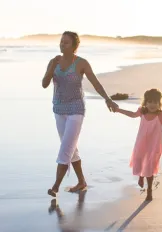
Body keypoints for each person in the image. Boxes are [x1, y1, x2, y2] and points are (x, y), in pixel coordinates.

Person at [42, 31, 119, 197]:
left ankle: (55, 186)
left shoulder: (81, 63)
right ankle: (82, 182)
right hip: (59, 110)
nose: (62, 45)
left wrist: (108, 99)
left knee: (65, 149)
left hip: (76, 109)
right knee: (71, 148)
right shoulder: (54, 62)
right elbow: (44, 84)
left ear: (75, 46)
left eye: (66, 43)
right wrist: (50, 68)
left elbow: (95, 83)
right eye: (61, 42)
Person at [115, 89, 162, 201]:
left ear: (159, 103)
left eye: (155, 102)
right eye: (150, 102)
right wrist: (118, 110)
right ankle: (141, 176)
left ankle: (149, 190)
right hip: (141, 143)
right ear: (145, 102)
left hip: (154, 146)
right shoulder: (142, 112)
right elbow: (132, 114)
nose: (152, 105)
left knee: (149, 166)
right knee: (139, 161)